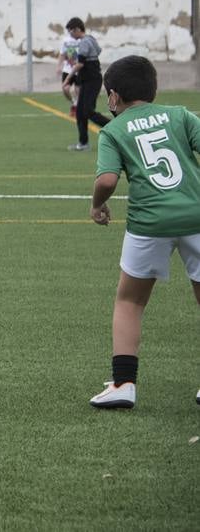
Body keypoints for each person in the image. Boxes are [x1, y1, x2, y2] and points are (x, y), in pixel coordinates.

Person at [86, 55, 200, 409]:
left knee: (130, 300)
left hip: (148, 223)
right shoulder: (180, 115)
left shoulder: (114, 130)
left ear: (114, 97)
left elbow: (107, 180)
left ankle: (124, 384)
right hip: (196, 216)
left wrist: (96, 205)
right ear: (154, 89)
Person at [65, 17, 113, 151]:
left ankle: (114, 128)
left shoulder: (84, 43)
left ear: (77, 29)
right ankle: (83, 143)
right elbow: (98, 51)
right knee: (80, 112)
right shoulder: (90, 39)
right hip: (90, 80)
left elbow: (80, 64)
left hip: (92, 81)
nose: (71, 35)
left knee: (87, 111)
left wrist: (68, 78)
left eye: (71, 32)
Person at [59, 28, 80, 119]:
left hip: (79, 69)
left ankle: (76, 108)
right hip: (68, 69)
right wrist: (59, 66)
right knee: (65, 88)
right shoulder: (66, 40)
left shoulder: (82, 39)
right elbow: (62, 53)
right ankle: (74, 103)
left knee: (78, 90)